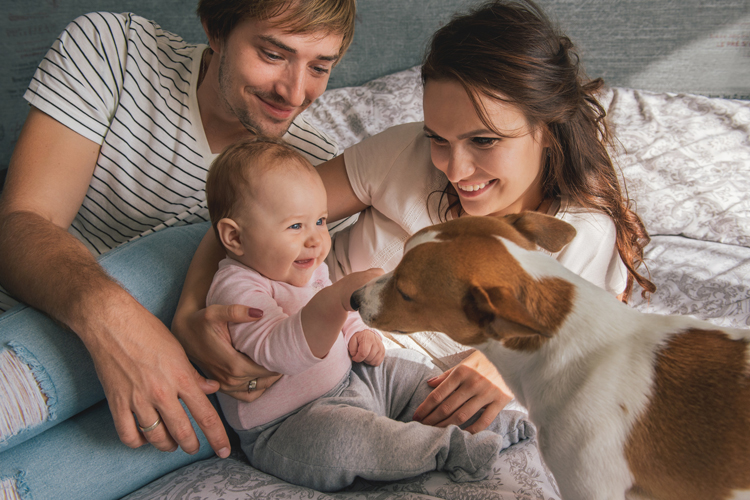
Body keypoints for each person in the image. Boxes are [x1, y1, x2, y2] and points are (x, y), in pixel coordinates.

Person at [172, 0, 655, 440]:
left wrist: (515, 365)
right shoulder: (405, 153)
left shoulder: (581, 234)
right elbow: (249, 215)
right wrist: (190, 313)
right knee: (145, 302)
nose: (455, 169)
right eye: (438, 137)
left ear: (547, 129)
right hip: (270, 307)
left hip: (339, 388)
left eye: (484, 141)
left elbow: (591, 345)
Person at [0, 0, 355, 498]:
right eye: (274, 54)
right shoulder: (115, 52)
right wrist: (122, 326)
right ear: (216, 28)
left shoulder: (310, 169)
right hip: (46, 318)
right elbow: (20, 225)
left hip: (192, 383)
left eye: (320, 67)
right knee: (194, 243)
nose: (295, 92)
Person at [203, 136, 532, 491]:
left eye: (320, 221)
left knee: (414, 378)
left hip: (353, 380)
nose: (316, 240)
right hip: (291, 423)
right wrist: (336, 299)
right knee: (348, 441)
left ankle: (497, 423)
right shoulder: (236, 288)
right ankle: (448, 449)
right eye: (296, 226)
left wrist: (360, 333)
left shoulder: (306, 266)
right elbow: (279, 353)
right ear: (235, 238)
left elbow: (344, 319)